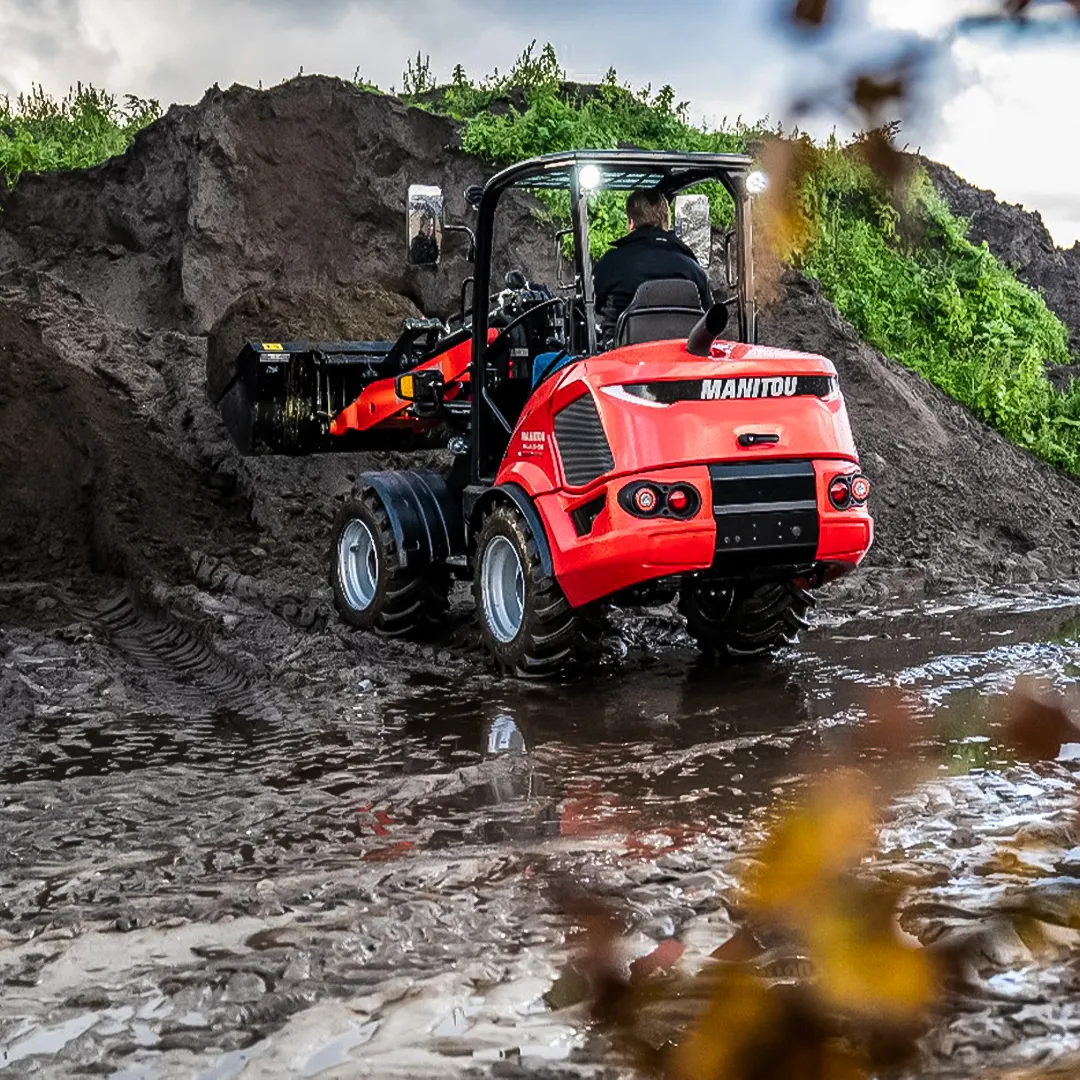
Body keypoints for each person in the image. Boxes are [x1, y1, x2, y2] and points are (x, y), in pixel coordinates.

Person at [592, 188, 711, 343]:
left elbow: (594, 305)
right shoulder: (693, 268)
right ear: (666, 222)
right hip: (683, 359)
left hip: (621, 357)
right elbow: (708, 314)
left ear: (631, 223)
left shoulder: (611, 262)